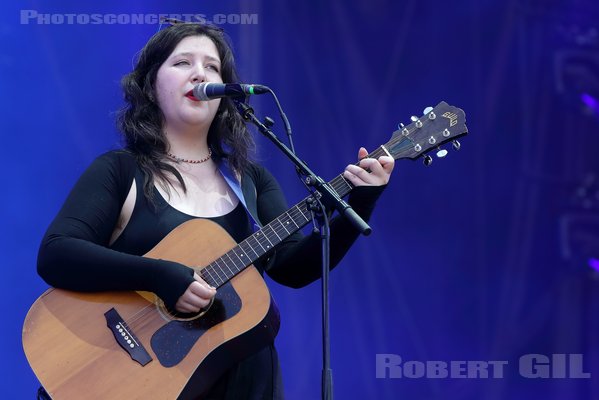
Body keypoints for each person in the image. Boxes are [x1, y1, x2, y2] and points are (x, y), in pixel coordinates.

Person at [37, 21, 394, 399]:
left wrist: (362, 200)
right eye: (183, 63)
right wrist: (158, 276)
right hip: (138, 378)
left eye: (211, 67)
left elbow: (295, 268)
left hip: (238, 381)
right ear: (151, 85)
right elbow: (57, 252)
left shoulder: (250, 181)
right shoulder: (121, 170)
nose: (199, 74)